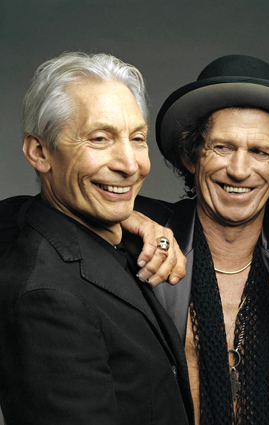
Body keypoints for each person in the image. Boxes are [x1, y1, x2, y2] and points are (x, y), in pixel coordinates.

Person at [0, 52, 193, 424]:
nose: (130, 165)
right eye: (100, 139)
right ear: (39, 152)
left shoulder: (110, 238)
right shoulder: (47, 297)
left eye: (137, 138)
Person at [135, 54, 269, 425]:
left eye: (260, 152)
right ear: (192, 157)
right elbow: (36, 215)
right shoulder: (143, 240)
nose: (239, 169)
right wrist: (126, 217)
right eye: (222, 147)